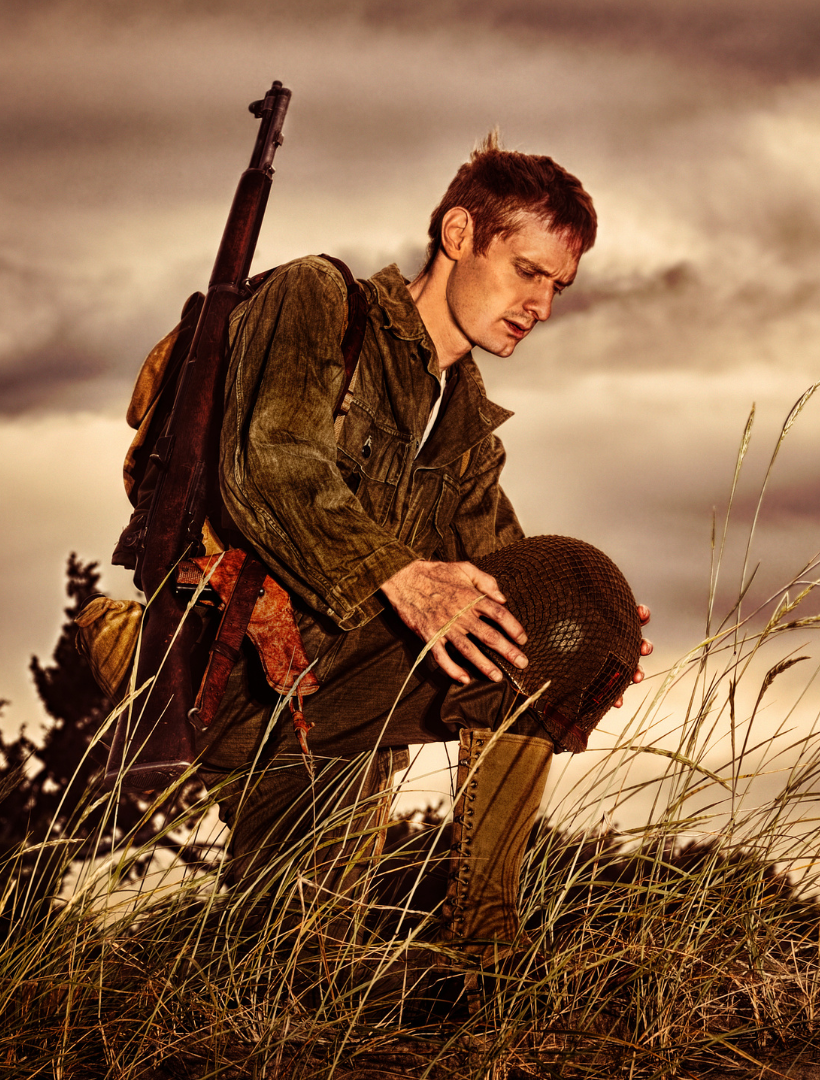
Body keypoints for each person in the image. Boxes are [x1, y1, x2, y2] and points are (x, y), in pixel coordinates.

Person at [157, 132, 651, 966]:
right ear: (459, 235)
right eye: (528, 271)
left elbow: (510, 581)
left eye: (558, 287)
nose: (542, 305)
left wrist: (592, 632)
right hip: (232, 660)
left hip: (336, 712)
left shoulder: (466, 427)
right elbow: (270, 468)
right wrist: (399, 576)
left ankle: (482, 946)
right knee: (284, 966)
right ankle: (487, 947)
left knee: (293, 969)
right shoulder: (321, 299)